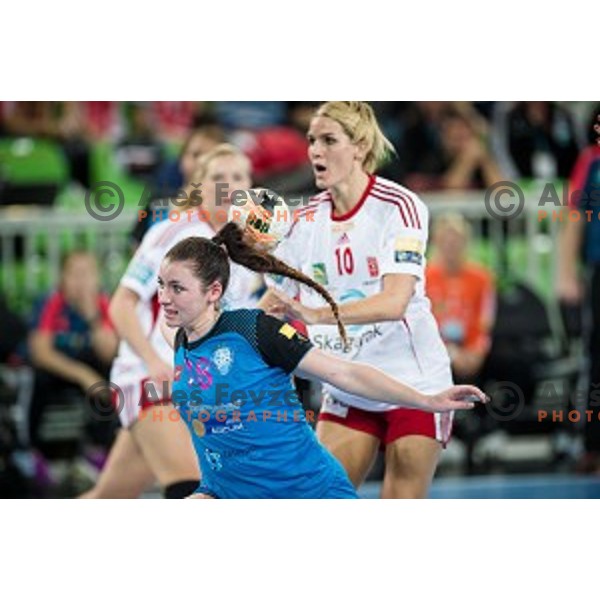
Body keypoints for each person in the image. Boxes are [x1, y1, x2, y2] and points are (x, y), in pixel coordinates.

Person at [158, 225, 486, 499]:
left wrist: (426, 399)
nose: (164, 298)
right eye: (161, 285)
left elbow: (343, 372)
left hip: (305, 494)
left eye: (177, 288)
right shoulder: (182, 341)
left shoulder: (255, 330)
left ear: (213, 292)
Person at [259, 101, 457, 498]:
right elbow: (275, 301)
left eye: (329, 140)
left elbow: (394, 302)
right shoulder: (303, 222)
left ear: (361, 147)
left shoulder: (400, 207)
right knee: (320, 500)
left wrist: (315, 315)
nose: (315, 150)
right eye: (312, 140)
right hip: (349, 387)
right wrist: (227, 341)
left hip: (414, 385)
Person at [80, 144, 262, 498]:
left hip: (197, 388)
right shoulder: (175, 231)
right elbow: (120, 304)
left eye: (238, 177)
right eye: (218, 177)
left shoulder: (246, 244)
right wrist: (152, 361)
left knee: (107, 498)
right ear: (199, 183)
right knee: (194, 489)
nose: (229, 186)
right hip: (152, 377)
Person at [28, 250, 119, 458]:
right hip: (61, 371)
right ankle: (33, 452)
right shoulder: (51, 303)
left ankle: (100, 449)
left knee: (112, 375)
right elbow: (40, 353)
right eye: (75, 274)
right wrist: (82, 376)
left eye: (88, 274)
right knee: (38, 378)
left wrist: (92, 316)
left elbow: (109, 352)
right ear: (63, 278)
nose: (82, 282)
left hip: (92, 371)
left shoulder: (105, 303)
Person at [557, 113, 600, 472]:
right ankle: (590, 444)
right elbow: (574, 215)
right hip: (598, 271)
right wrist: (566, 273)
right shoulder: (591, 160)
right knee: (596, 355)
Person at [426, 213, 496, 382]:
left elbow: (485, 321)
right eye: (445, 240)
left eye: (456, 240)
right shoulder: (424, 277)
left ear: (466, 242)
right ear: (436, 242)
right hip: (435, 350)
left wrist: (476, 352)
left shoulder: (482, 278)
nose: (451, 245)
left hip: (472, 350)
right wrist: (450, 352)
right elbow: (422, 322)